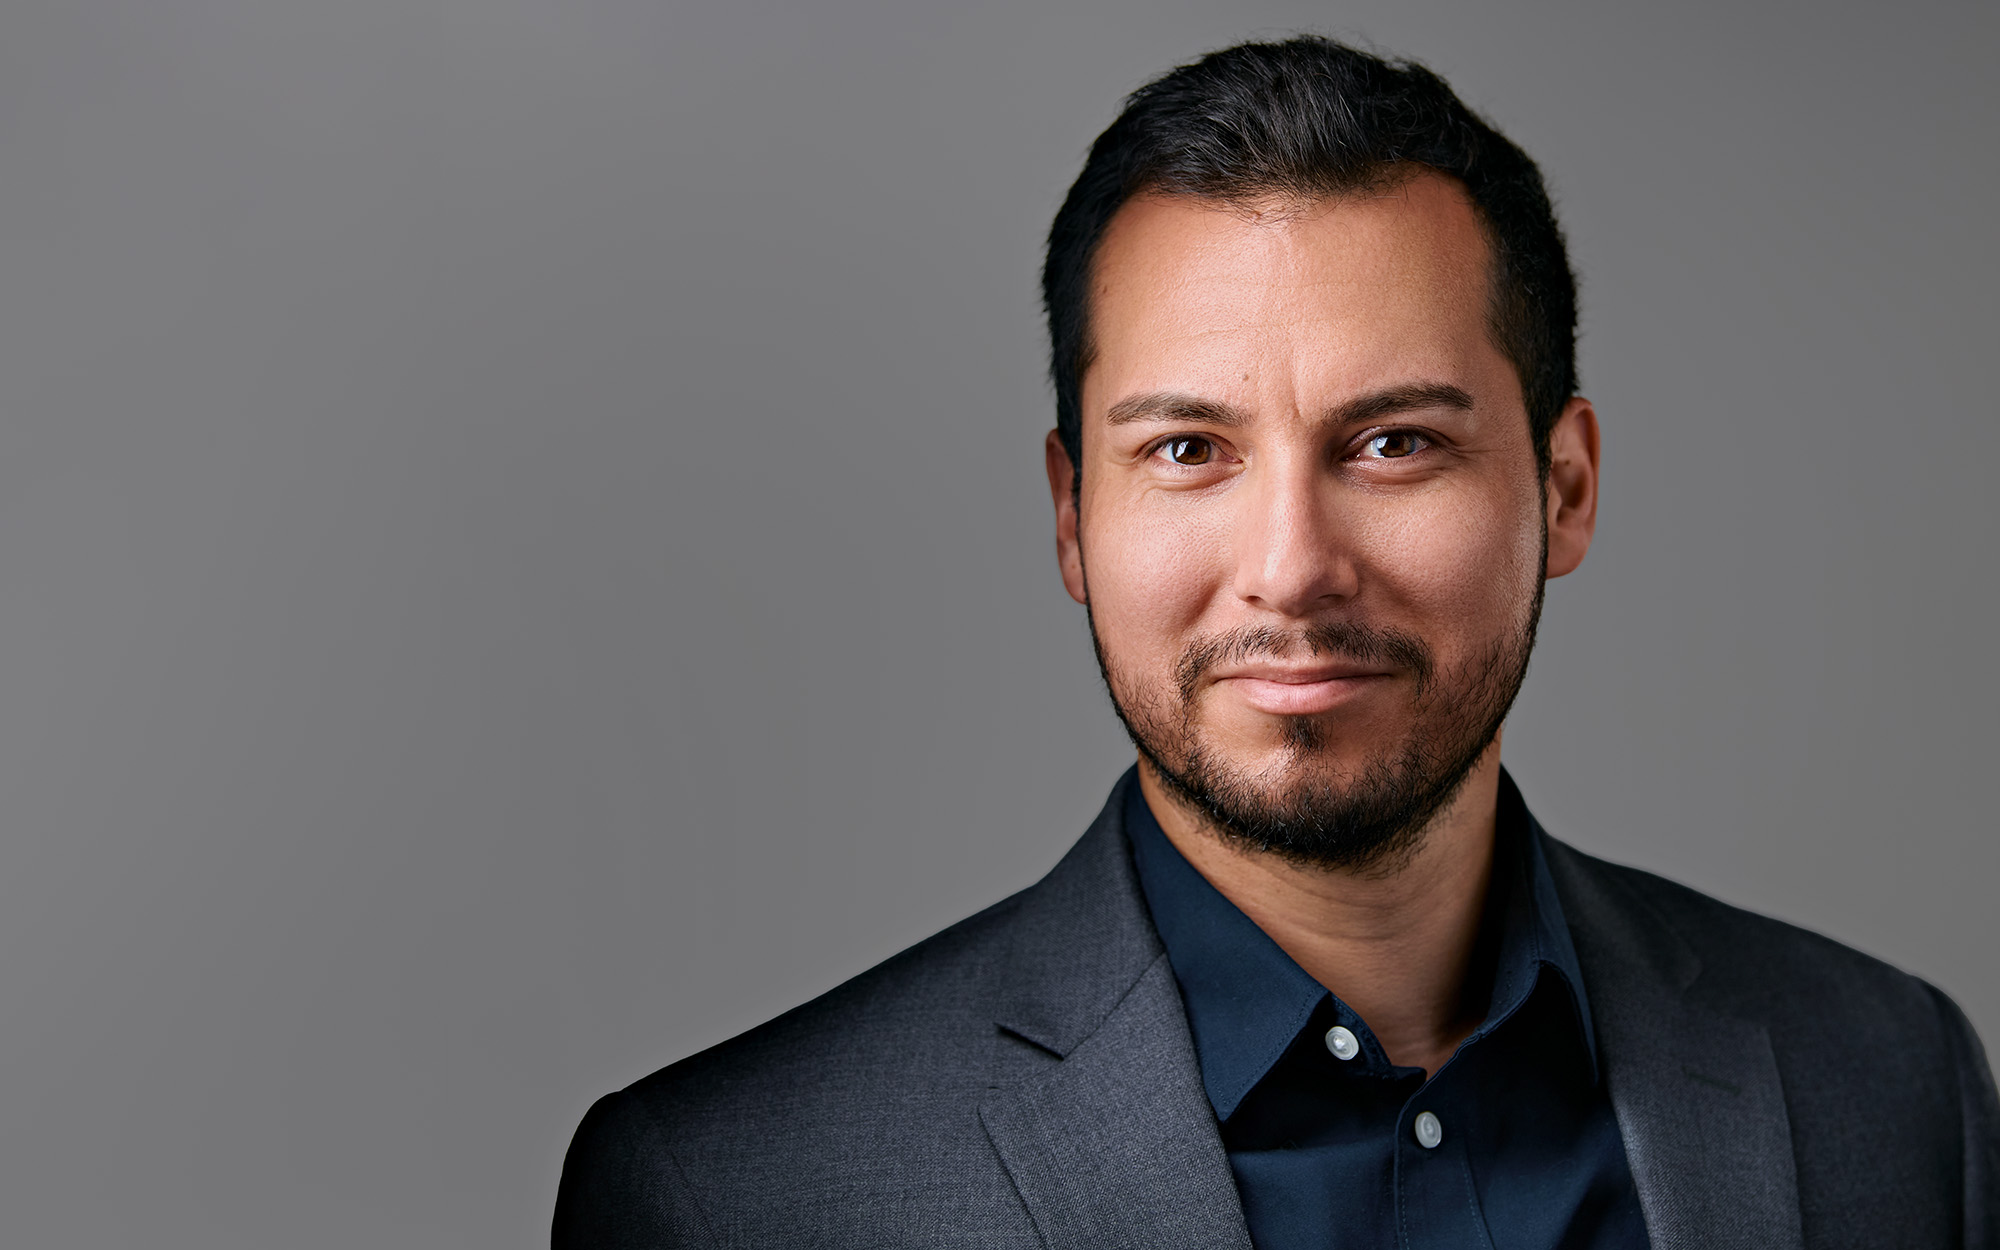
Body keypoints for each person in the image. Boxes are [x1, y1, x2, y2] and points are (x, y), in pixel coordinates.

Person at [552, 36, 1997, 1249]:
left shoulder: (1887, 1086)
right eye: (1189, 448)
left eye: (1392, 442)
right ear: (1072, 514)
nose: (1293, 565)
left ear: (1564, 487)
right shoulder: (734, 1197)